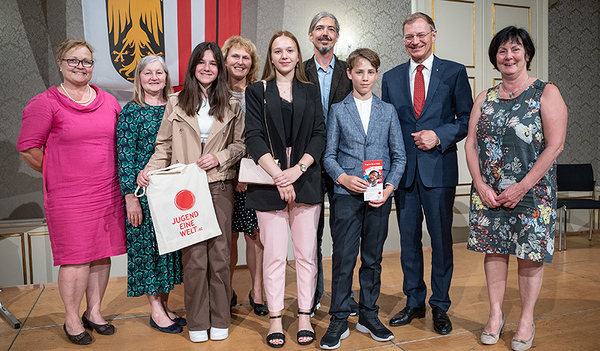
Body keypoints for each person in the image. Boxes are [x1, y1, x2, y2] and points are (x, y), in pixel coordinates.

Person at [17, 39, 126, 345]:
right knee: (76, 258)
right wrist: (58, 170)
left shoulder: (108, 101)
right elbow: (27, 148)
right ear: (61, 64)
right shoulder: (45, 103)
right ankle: (72, 319)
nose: (81, 66)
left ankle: (94, 312)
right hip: (69, 197)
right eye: (74, 60)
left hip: (107, 191)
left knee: (101, 255)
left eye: (87, 61)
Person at [465, 26, 567, 351]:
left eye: (515, 50)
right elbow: (470, 144)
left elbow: (555, 146)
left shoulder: (546, 92)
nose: (509, 56)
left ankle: (526, 319)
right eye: (502, 51)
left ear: (527, 54)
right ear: (495, 58)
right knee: (494, 251)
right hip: (490, 194)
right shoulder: (486, 97)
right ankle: (495, 315)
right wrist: (479, 184)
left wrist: (521, 187)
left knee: (529, 256)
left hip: (532, 194)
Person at [137, 42, 245, 343]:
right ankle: (198, 323)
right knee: (195, 258)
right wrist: (148, 170)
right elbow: (164, 147)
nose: (207, 67)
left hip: (220, 185)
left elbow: (240, 145)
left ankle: (220, 318)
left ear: (219, 68)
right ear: (193, 66)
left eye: (213, 63)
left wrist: (220, 157)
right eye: (202, 62)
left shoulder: (232, 105)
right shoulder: (175, 102)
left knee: (220, 256)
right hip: (185, 189)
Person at [382, 12, 473, 335]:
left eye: (421, 35)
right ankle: (414, 301)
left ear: (433, 35)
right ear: (404, 39)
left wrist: (440, 135)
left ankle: (440, 305)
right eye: (409, 36)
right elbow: (388, 126)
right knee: (408, 242)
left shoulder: (454, 72)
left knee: (441, 242)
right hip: (404, 173)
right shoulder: (391, 78)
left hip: (439, 169)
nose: (415, 41)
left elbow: (466, 119)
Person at [320, 48, 406, 349]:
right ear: (349, 74)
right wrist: (342, 177)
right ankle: (339, 317)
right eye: (359, 72)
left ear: (376, 74)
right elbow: (328, 156)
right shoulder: (338, 110)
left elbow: (400, 157)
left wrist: (389, 188)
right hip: (346, 195)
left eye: (370, 72)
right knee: (343, 258)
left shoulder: (388, 111)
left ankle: (369, 314)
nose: (365, 77)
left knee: (372, 258)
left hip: (379, 198)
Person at [245, 30, 326, 347]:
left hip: (305, 177)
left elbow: (319, 134)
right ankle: (276, 319)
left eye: (290, 50)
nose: (284, 55)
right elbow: (253, 137)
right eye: (277, 50)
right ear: (271, 56)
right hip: (269, 180)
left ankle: (304, 315)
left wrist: (297, 170)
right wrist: (279, 175)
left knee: (307, 256)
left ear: (297, 54)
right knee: (275, 256)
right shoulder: (257, 91)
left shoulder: (310, 90)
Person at [116, 55, 185, 334]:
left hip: (172, 192)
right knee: (147, 253)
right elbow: (124, 156)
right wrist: (130, 196)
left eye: (160, 72)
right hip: (142, 195)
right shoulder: (131, 111)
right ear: (139, 78)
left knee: (168, 251)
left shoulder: (176, 108)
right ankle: (156, 311)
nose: (154, 77)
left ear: (167, 77)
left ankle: (166, 306)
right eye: (148, 73)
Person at [303, 11, 354, 314]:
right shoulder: (296, 70)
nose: (325, 33)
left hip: (343, 167)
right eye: (319, 28)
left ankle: (342, 297)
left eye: (330, 29)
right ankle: (313, 294)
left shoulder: (350, 70)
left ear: (337, 36)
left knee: (344, 236)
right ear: (310, 35)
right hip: (307, 166)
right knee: (311, 236)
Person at [221, 36, 268, 316]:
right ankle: (225, 290)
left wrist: (247, 173)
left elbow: (262, 136)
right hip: (223, 175)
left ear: (252, 62)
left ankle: (257, 291)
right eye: (235, 56)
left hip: (254, 174)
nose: (240, 62)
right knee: (228, 238)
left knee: (256, 236)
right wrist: (234, 172)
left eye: (246, 57)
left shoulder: (260, 92)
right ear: (225, 60)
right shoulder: (213, 93)